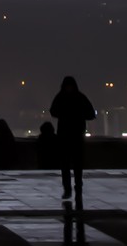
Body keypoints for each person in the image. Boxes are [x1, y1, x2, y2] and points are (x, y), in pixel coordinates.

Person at [49, 75, 96, 211]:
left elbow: (53, 111)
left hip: (65, 134)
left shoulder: (60, 97)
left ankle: (70, 188)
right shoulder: (81, 97)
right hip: (76, 134)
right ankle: (75, 187)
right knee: (75, 163)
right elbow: (91, 114)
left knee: (68, 164)